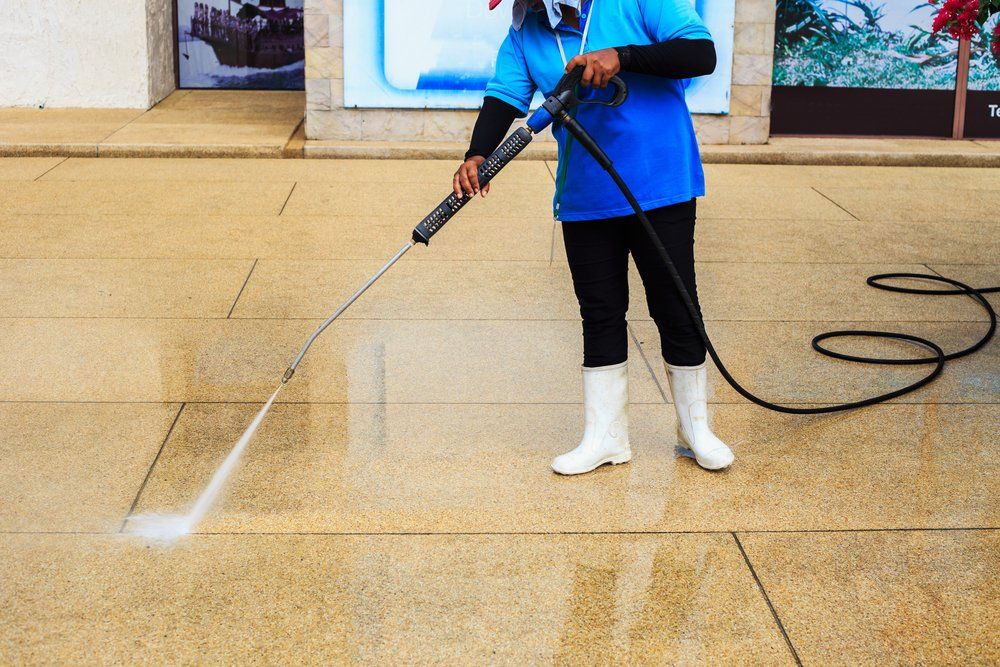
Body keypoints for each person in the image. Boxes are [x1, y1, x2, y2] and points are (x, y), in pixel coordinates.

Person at [454, 0, 734, 475]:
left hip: (660, 183)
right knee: (600, 310)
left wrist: (623, 56)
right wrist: (478, 152)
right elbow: (505, 95)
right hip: (586, 193)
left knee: (676, 304)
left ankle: (695, 431)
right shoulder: (527, 29)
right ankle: (605, 437)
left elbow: (700, 53)